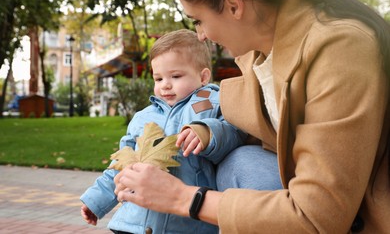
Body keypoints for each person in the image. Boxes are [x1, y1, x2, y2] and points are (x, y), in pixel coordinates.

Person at [114, 0, 390, 233]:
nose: (200, 35)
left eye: (198, 20)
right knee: (239, 160)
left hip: (349, 219)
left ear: (234, 6)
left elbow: (318, 214)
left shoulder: (339, 47)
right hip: (306, 201)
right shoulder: (258, 57)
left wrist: (182, 198)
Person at [80, 29, 279, 234]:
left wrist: (206, 133)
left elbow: (234, 132)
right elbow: (121, 165)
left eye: (175, 76)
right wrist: (95, 201)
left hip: (186, 223)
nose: (165, 85)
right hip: (134, 220)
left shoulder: (214, 103)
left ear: (203, 76)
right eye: (158, 79)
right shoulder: (143, 118)